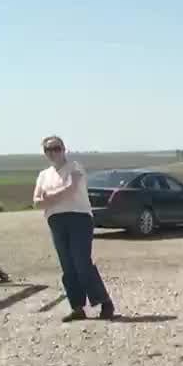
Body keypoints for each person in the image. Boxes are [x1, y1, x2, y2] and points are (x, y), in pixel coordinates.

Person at [32, 135, 115, 322]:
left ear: (64, 149)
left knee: (81, 262)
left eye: (56, 148)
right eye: (48, 150)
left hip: (79, 218)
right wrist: (50, 198)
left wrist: (48, 197)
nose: (53, 153)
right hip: (55, 221)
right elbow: (36, 202)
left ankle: (104, 302)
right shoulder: (44, 175)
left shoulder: (75, 168)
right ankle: (77, 307)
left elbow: (71, 189)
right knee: (67, 266)